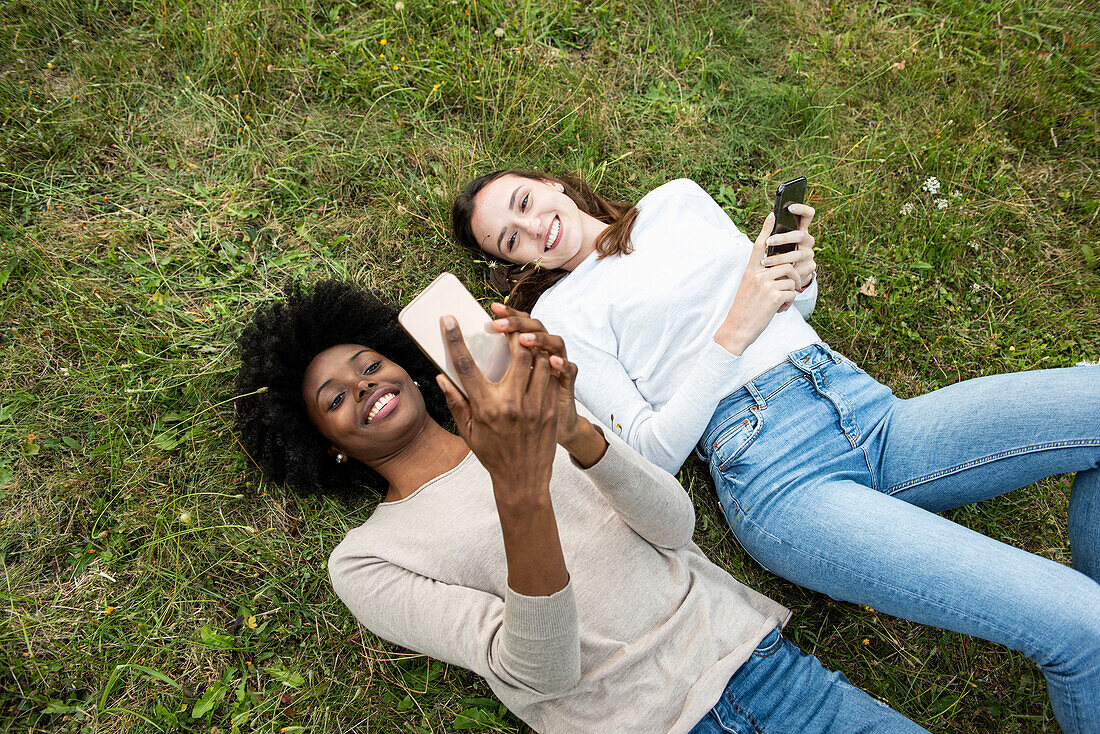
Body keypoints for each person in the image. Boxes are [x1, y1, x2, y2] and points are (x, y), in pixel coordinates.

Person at [451, 170, 1100, 733]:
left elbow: (790, 302)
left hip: (871, 416)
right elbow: (651, 451)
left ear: (550, 185)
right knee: (1080, 627)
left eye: (524, 201)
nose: (533, 226)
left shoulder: (675, 202)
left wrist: (799, 272)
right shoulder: (566, 313)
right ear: (519, 265)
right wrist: (733, 327)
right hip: (781, 480)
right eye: (512, 238)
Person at [233, 279, 930, 734]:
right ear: (325, 447)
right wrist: (520, 486)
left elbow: (674, 528)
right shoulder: (367, 559)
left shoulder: (530, 415)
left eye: (368, 365)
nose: (363, 385)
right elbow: (541, 669)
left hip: (765, 667)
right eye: (335, 398)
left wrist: (572, 427)